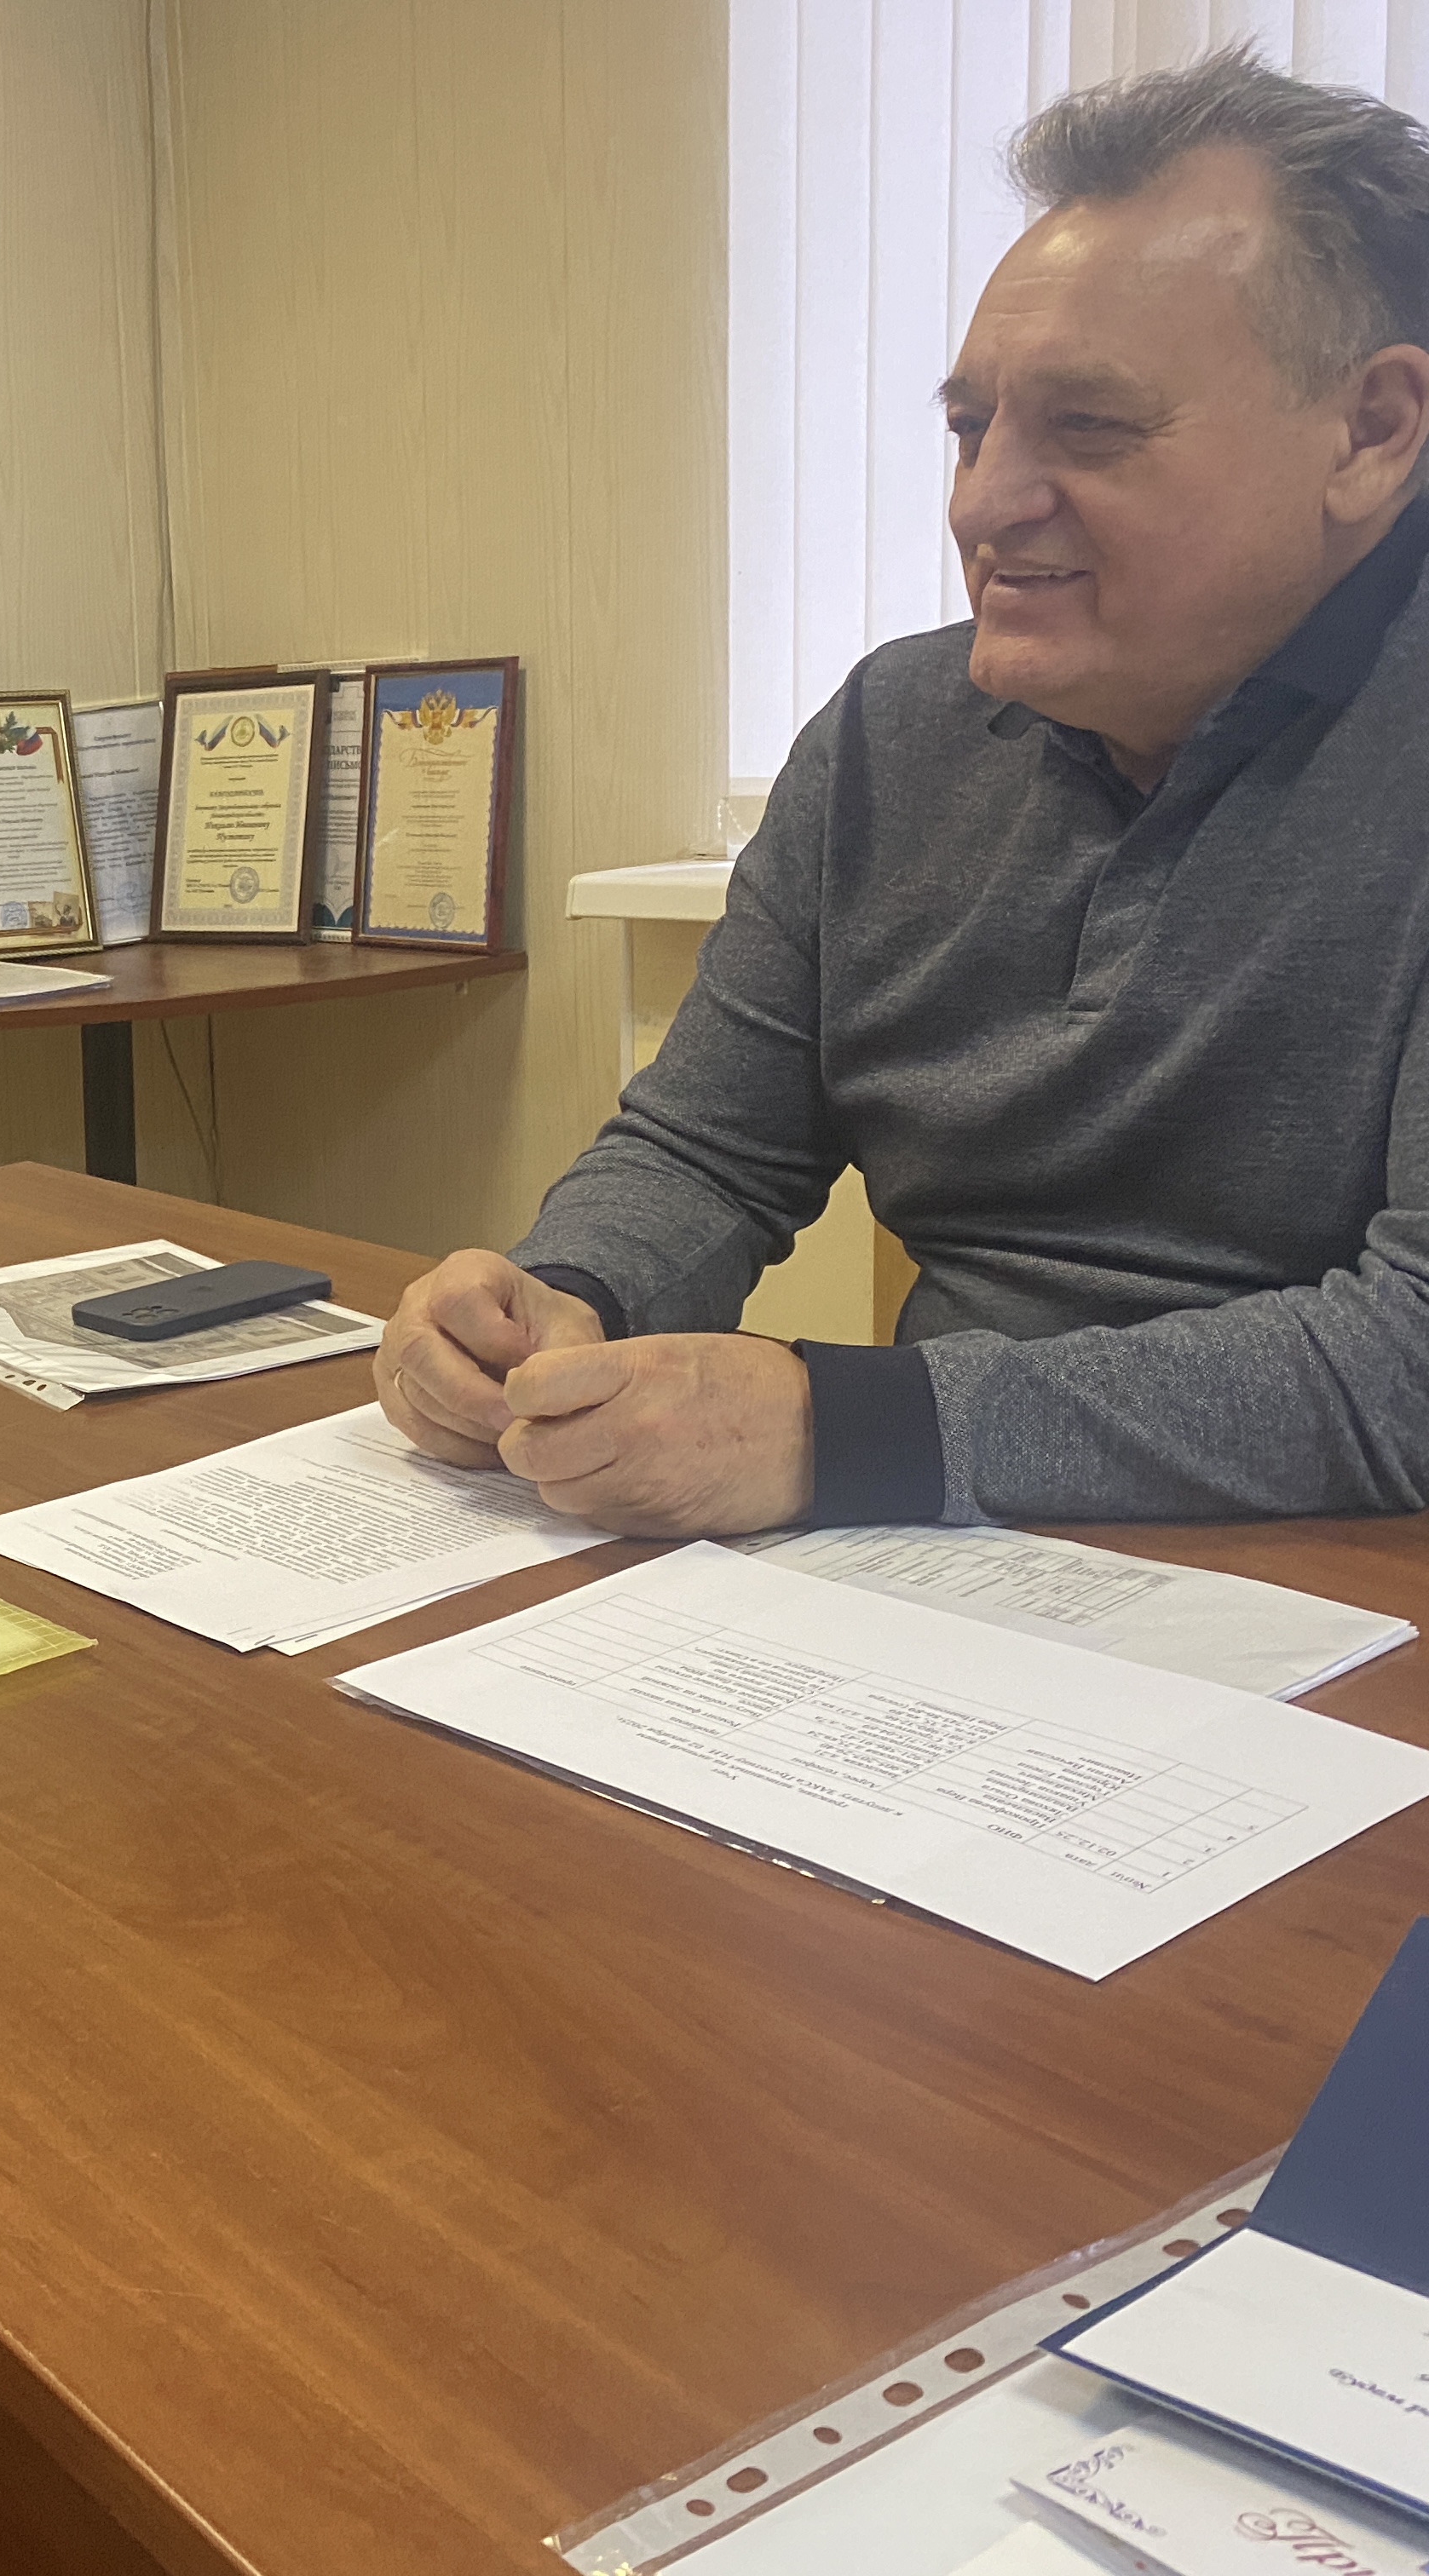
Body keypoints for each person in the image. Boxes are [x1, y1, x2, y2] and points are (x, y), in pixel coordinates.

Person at [379, 47, 1429, 1541]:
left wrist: (849, 1427)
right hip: (948, 1558)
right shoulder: (895, 733)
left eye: (1091, 427)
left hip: (1347, 1579)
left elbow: (1414, 1362)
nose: (982, 502)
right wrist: (561, 1302)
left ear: (1373, 432)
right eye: (969, 426)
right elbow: (705, 1151)